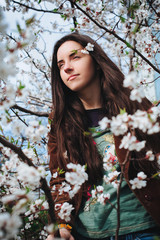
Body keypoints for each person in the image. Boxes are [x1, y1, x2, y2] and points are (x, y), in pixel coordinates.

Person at [47, 33, 160, 240]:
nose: (67, 68)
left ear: (96, 61)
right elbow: (59, 179)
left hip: (143, 228)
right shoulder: (60, 125)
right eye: (60, 64)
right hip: (89, 234)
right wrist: (62, 225)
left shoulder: (135, 106)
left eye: (75, 57)